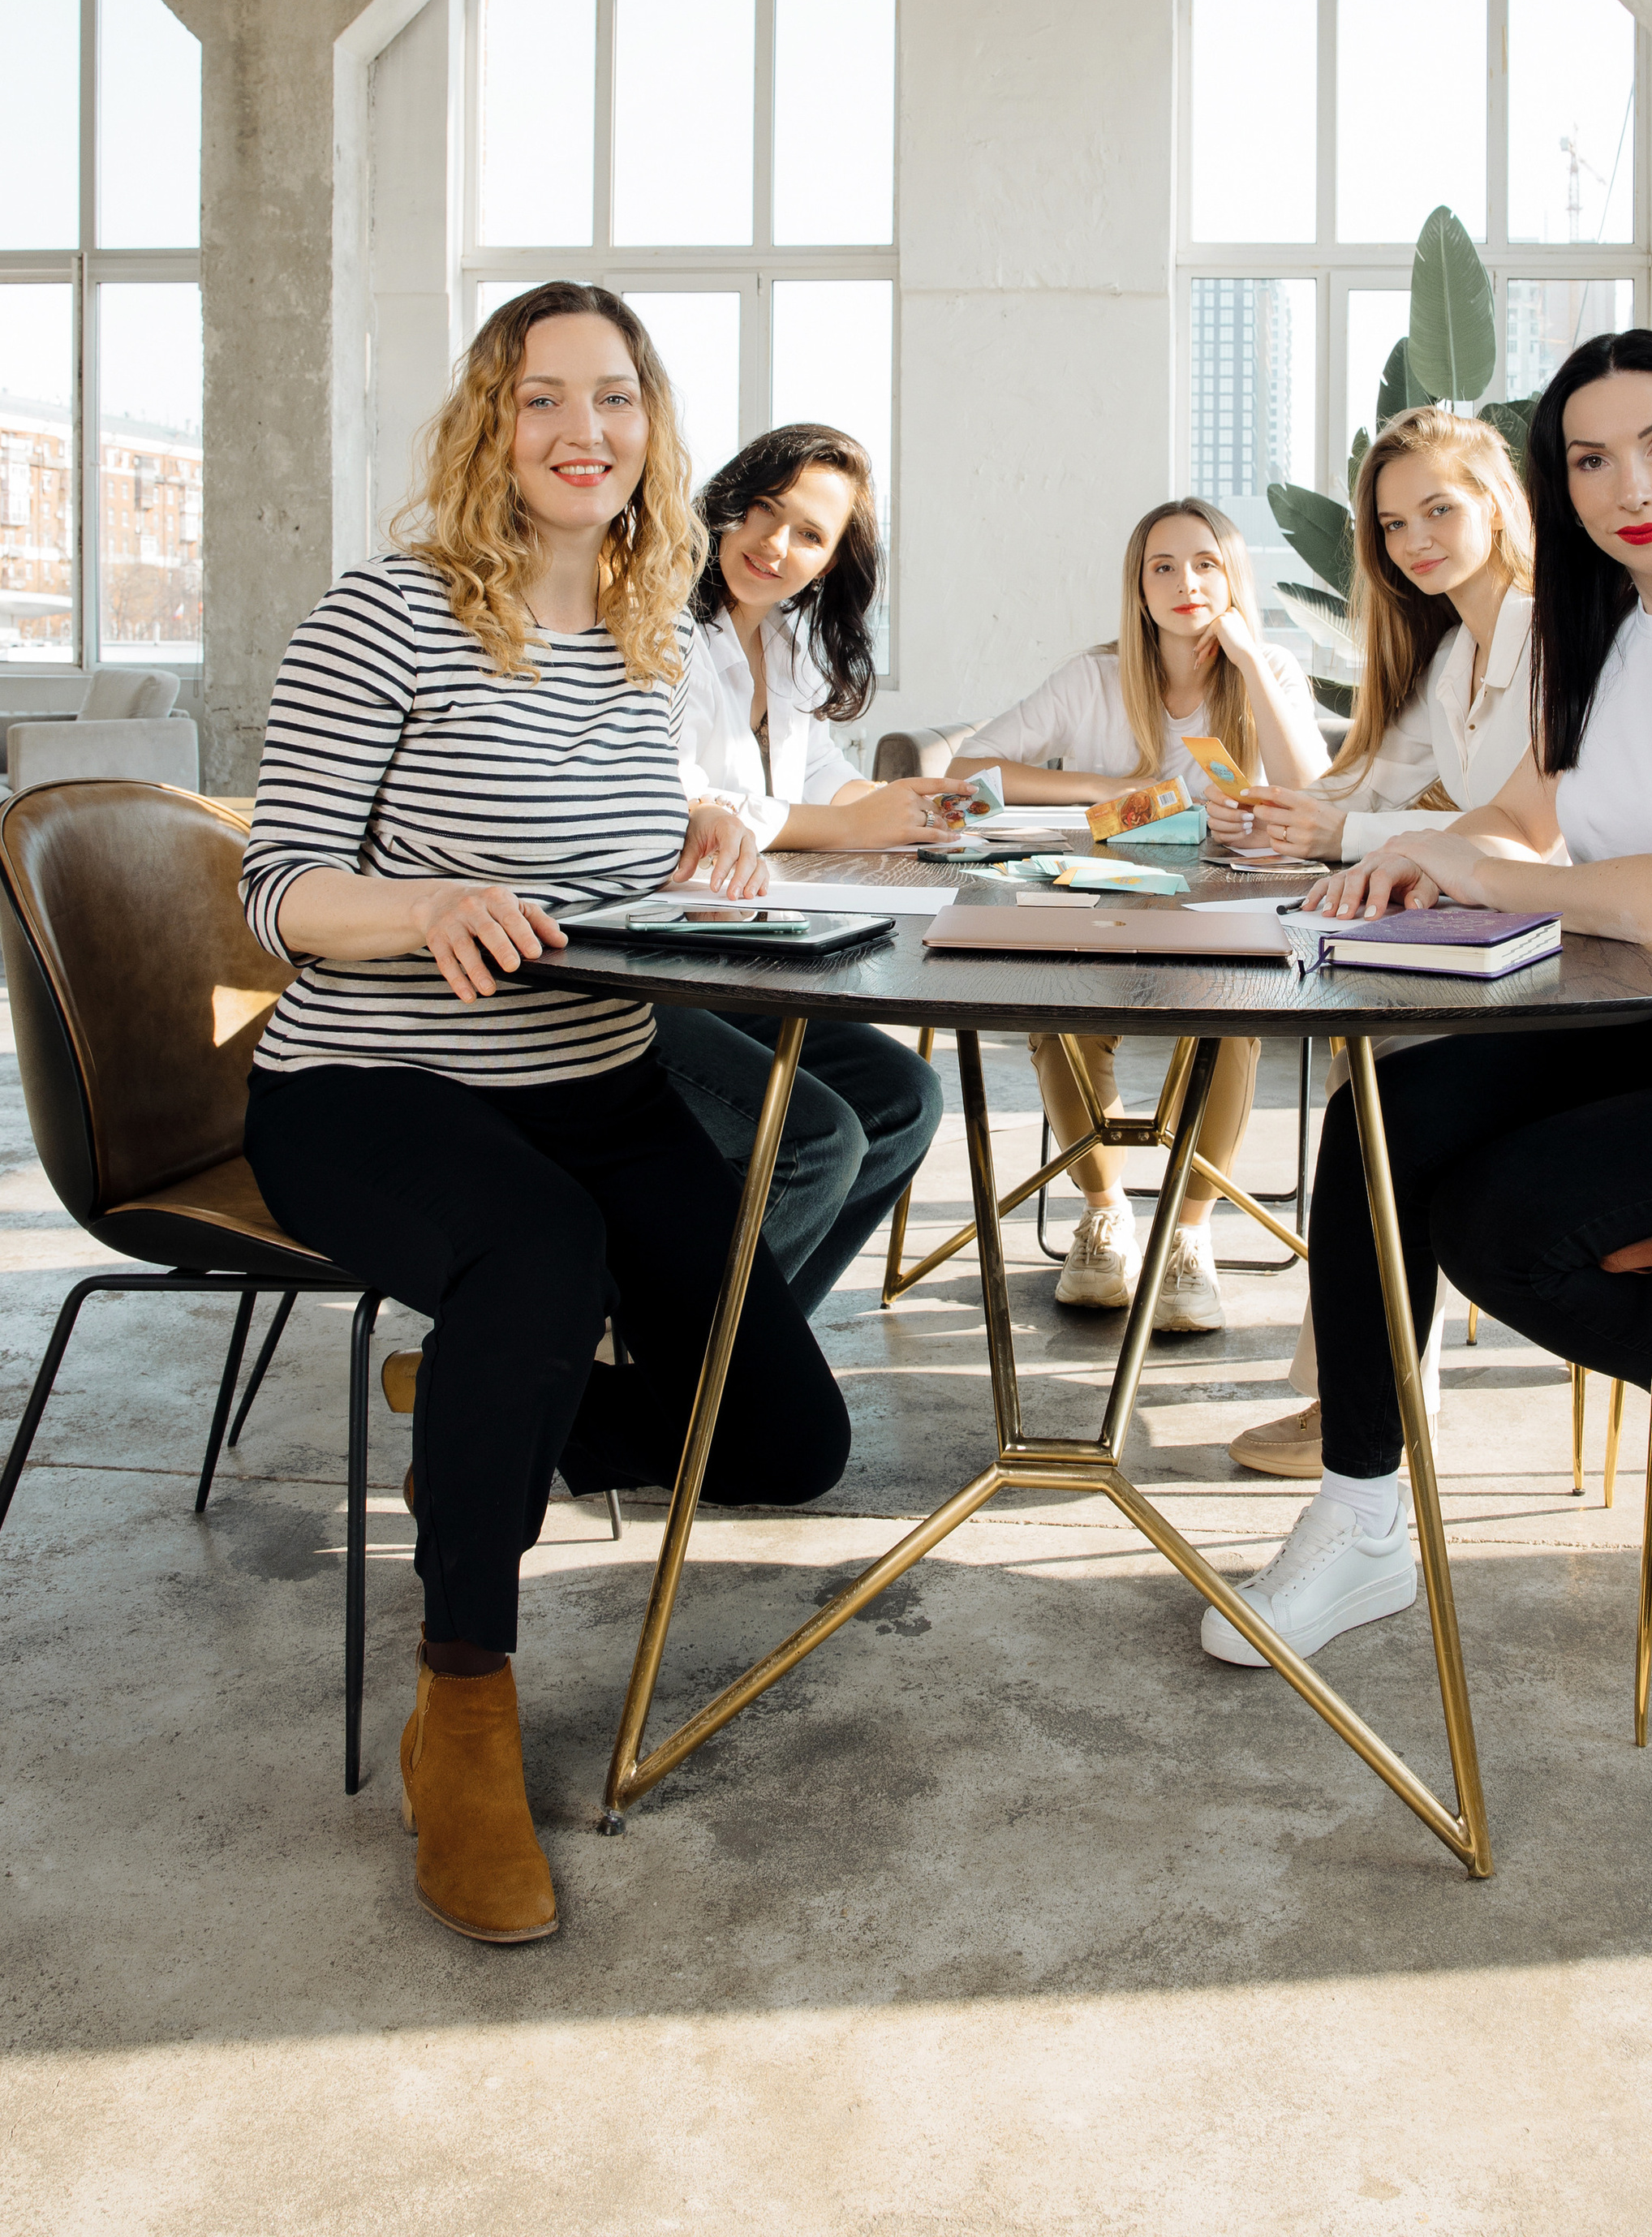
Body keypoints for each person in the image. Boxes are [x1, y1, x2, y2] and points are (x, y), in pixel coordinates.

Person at [240, 282, 852, 1947]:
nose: (583, 433)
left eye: (616, 399)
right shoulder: (385, 614)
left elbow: (603, 867)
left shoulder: (654, 631)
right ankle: (463, 1705)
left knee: (793, 1442)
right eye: (540, 401)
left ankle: (483, 1413)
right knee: (541, 1247)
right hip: (372, 1082)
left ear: (653, 429)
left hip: (593, 1078)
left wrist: (702, 852)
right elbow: (276, 892)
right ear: (487, 430)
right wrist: (425, 906)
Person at [1199, 329, 1652, 1673]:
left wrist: (1472, 862)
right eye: (1589, 460)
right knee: (1388, 1113)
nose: (1628, 484)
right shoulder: (1600, 635)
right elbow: (1519, 812)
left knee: (1506, 1227)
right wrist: (1403, 855)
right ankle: (1364, 1513)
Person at [1207, 407, 1539, 1475]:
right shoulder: (1455, 661)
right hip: (1506, 929)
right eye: (1394, 526)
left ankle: (1373, 1405)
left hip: (1570, 950)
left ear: (1498, 502)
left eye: (1439, 509)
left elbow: (1543, 832)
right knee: (1373, 1076)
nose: (1415, 542)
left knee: (1381, 1095)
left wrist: (1346, 830)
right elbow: (1356, 791)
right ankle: (1356, 1394)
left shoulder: (1547, 635)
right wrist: (1278, 814)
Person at [954, 497, 1330, 1331]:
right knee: (1055, 1013)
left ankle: (1189, 1233)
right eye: (1162, 566)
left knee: (1231, 1016)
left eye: (1204, 563)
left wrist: (1246, 664)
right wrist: (1100, 788)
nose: (1184, 582)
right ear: (1138, 585)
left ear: (1233, 575)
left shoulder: (1267, 669)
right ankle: (1105, 1211)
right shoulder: (1094, 676)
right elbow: (968, 768)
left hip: (1224, 912)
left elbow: (1313, 794)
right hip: (1101, 903)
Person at [655, 422, 952, 1314]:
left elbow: (824, 779)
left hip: (742, 952)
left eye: (810, 535)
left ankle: (744, 1371)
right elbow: (679, 806)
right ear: (727, 505)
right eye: (765, 512)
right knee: (816, 1137)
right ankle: (680, 1387)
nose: (775, 546)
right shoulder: (662, 624)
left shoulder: (782, 643)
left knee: (904, 1099)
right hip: (653, 958)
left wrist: (904, 815)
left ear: (833, 563)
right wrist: (846, 824)